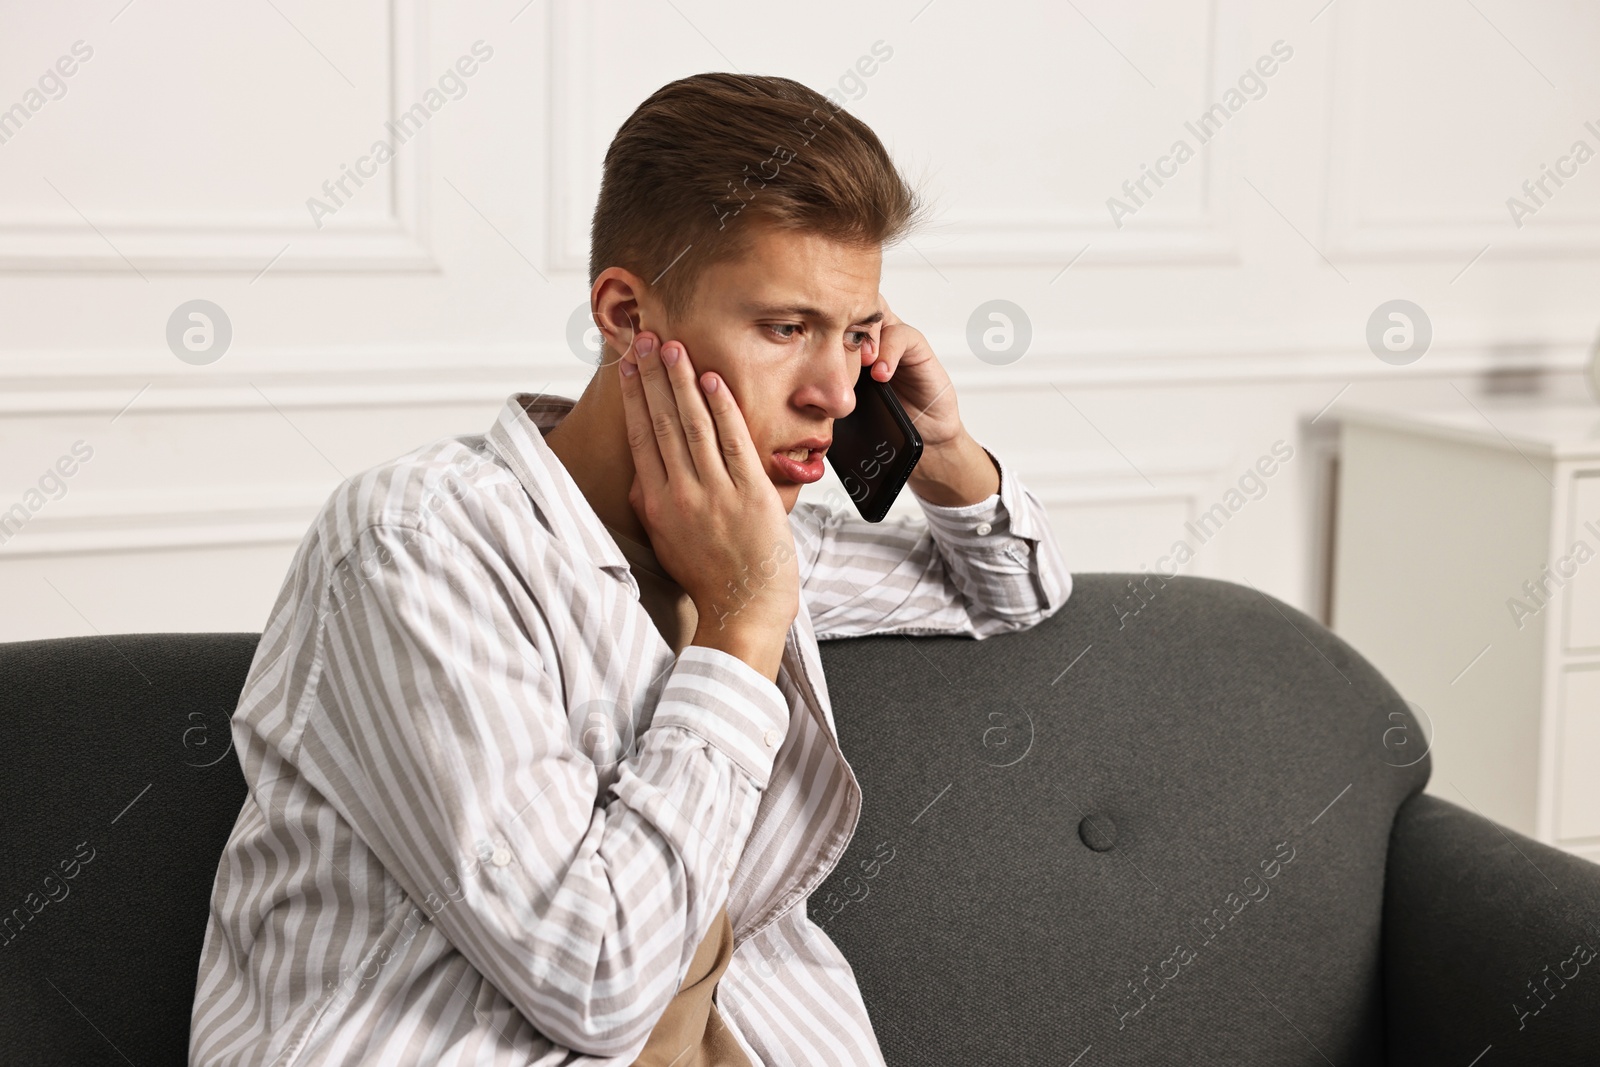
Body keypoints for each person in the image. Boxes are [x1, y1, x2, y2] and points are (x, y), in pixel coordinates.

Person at [189, 72, 1072, 1066]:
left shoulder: (753, 531)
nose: (832, 390)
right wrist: (743, 619)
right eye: (786, 328)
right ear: (623, 313)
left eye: (854, 334)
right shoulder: (417, 542)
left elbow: (1007, 589)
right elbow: (596, 980)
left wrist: (939, 445)